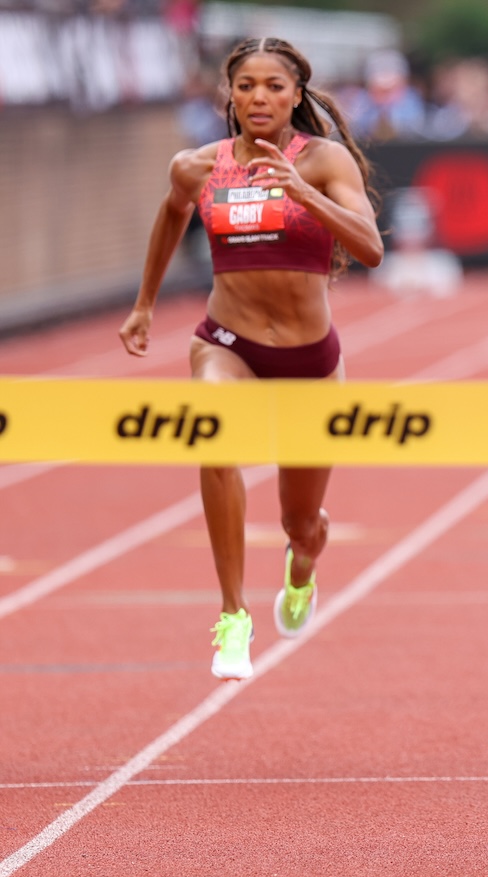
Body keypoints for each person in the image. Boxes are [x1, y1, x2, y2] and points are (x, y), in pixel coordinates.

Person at [118, 37, 383, 680]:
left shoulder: (325, 161)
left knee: (302, 521)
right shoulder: (196, 166)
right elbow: (170, 216)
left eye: (273, 86)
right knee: (214, 435)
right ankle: (233, 614)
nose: (259, 97)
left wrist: (303, 192)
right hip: (226, 343)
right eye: (246, 86)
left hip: (309, 359)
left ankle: (301, 568)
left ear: (297, 94)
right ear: (229, 95)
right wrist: (145, 303)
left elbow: (371, 247)